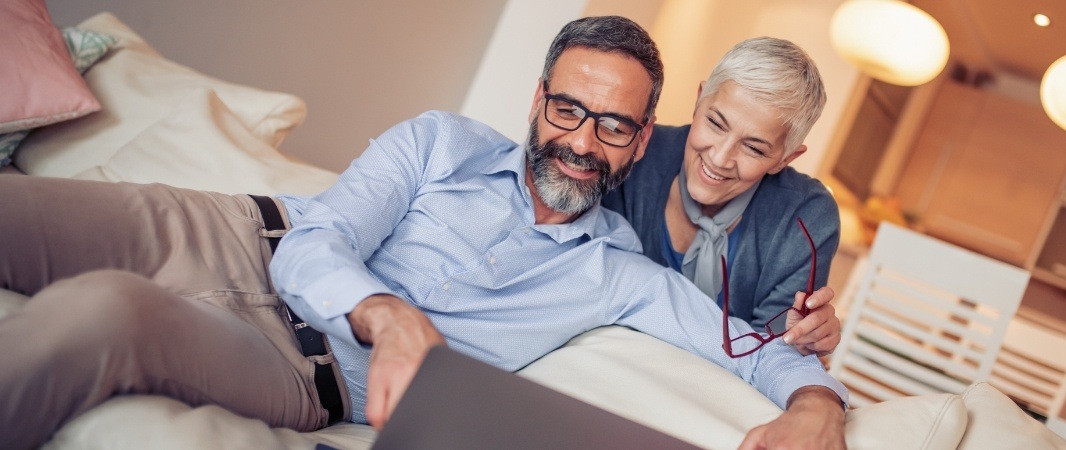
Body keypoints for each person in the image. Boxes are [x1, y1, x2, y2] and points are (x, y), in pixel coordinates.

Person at [0, 16, 847, 449]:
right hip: (230, 235)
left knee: (103, 314)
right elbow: (314, 241)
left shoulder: (620, 275)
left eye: (615, 127)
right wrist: (393, 314)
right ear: (537, 98)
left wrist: (815, 405)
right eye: (568, 110)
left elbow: (759, 350)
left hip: (301, 367)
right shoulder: (440, 140)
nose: (584, 143)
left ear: (642, 134)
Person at [602, 37, 841, 356]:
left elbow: (767, 354)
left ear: (785, 159)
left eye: (754, 148)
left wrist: (797, 342)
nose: (720, 158)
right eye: (715, 123)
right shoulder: (633, 153)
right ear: (699, 99)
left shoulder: (806, 216)